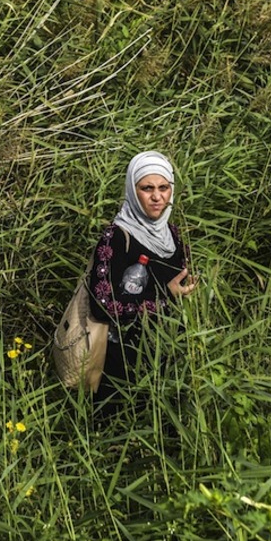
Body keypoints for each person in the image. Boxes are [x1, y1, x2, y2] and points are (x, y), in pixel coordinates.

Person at [87, 151, 198, 416]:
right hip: (123, 363)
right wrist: (164, 298)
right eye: (147, 188)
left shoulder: (171, 235)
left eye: (164, 188)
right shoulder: (117, 236)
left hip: (168, 355)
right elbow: (101, 304)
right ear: (132, 190)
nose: (157, 197)